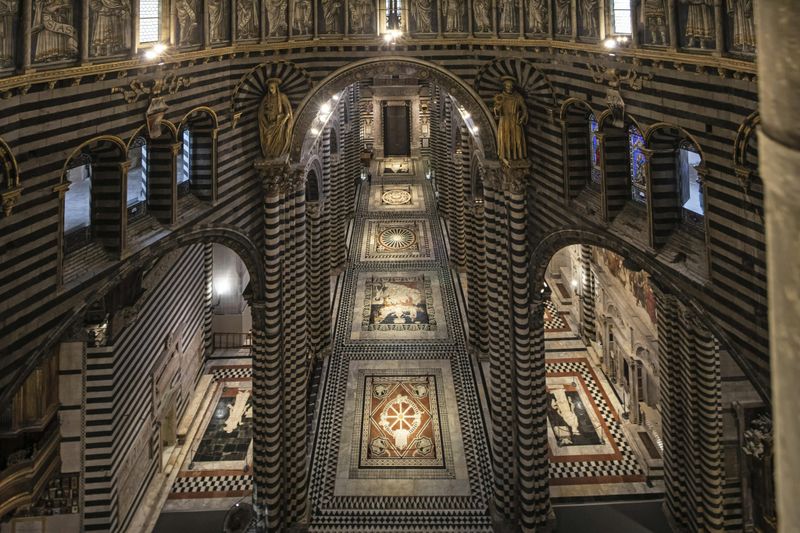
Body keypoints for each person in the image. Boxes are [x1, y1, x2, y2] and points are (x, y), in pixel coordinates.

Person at [493, 76, 528, 162]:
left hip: (515, 120)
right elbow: (496, 110)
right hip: (504, 121)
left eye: (511, 86)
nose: (510, 87)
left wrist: (523, 117)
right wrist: (498, 108)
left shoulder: (518, 96)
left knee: (517, 139)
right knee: (506, 138)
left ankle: (518, 156)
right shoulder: (501, 97)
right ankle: (506, 156)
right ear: (504, 86)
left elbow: (524, 108)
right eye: (508, 86)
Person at [258, 78, 293, 159]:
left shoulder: (282, 97)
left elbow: (288, 112)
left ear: (276, 88)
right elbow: (261, 111)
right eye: (269, 88)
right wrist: (265, 116)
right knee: (267, 139)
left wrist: (283, 120)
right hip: (269, 124)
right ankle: (269, 154)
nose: (271, 90)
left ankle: (277, 155)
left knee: (279, 142)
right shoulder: (266, 98)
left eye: (272, 88)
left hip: (280, 124)